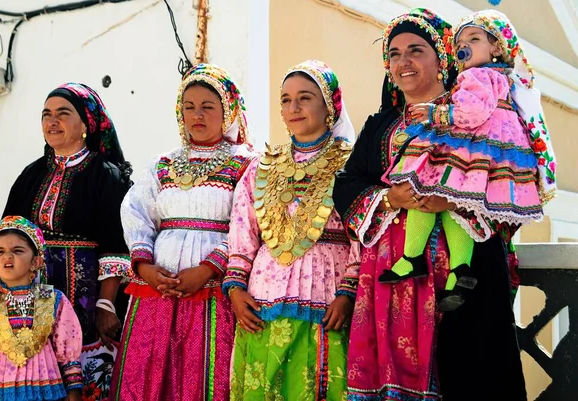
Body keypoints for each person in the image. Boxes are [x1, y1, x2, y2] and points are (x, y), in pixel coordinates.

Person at [333, 8, 527, 400]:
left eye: (416, 50)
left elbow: (512, 177)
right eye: (394, 53)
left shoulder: (482, 114)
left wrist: (456, 197)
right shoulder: (380, 125)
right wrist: (389, 197)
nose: (403, 62)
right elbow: (347, 183)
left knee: (470, 373)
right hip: (392, 275)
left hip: (466, 273)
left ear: (443, 59)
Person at [378, 9, 555, 311]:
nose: (465, 46)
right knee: (455, 205)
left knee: (422, 186)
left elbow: (470, 113)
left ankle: (411, 257)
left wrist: (436, 113)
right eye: (461, 41)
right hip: (490, 152)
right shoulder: (505, 81)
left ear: (497, 46)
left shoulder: (475, 76)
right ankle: (459, 271)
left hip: (470, 147)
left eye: (474, 38)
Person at [110, 63, 256, 401]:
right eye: (189, 107)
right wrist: (144, 265)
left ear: (228, 110)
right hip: (158, 285)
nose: (197, 115)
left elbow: (247, 222)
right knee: (148, 376)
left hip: (214, 286)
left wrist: (208, 268)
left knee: (206, 375)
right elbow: (135, 211)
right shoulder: (162, 163)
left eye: (208, 106)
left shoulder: (246, 162)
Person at [223, 59, 360, 400]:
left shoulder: (352, 164)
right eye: (285, 99)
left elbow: (364, 233)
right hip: (262, 301)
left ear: (329, 106)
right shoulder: (261, 166)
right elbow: (243, 229)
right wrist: (236, 288)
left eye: (305, 97)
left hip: (328, 299)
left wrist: (348, 292)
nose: (293, 107)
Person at [2, 83, 132, 400]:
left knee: (83, 378)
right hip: (31, 297)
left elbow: (117, 246)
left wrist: (105, 304)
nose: (52, 121)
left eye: (63, 113)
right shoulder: (30, 175)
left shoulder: (106, 175)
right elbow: (4, 236)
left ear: (86, 123)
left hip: (85, 299)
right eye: (46, 114)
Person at [0, 216, 83, 401]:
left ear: (35, 262)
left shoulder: (52, 298)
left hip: (43, 384)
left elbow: (67, 343)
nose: (7, 257)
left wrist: (74, 389)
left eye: (17, 250)